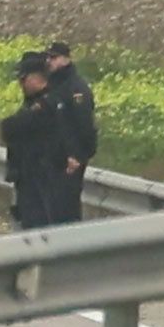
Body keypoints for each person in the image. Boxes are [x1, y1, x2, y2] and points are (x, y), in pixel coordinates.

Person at [2, 54, 78, 230]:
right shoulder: (34, 102)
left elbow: (12, 127)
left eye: (24, 79)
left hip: (43, 178)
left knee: (40, 226)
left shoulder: (49, 103)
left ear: (37, 77)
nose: (20, 84)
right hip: (29, 177)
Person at [44, 41, 98, 222]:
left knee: (67, 209)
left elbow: (84, 126)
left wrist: (79, 155)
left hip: (70, 162)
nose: (49, 61)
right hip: (51, 158)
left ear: (66, 59)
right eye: (48, 57)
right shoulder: (52, 86)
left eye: (54, 57)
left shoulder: (76, 89)